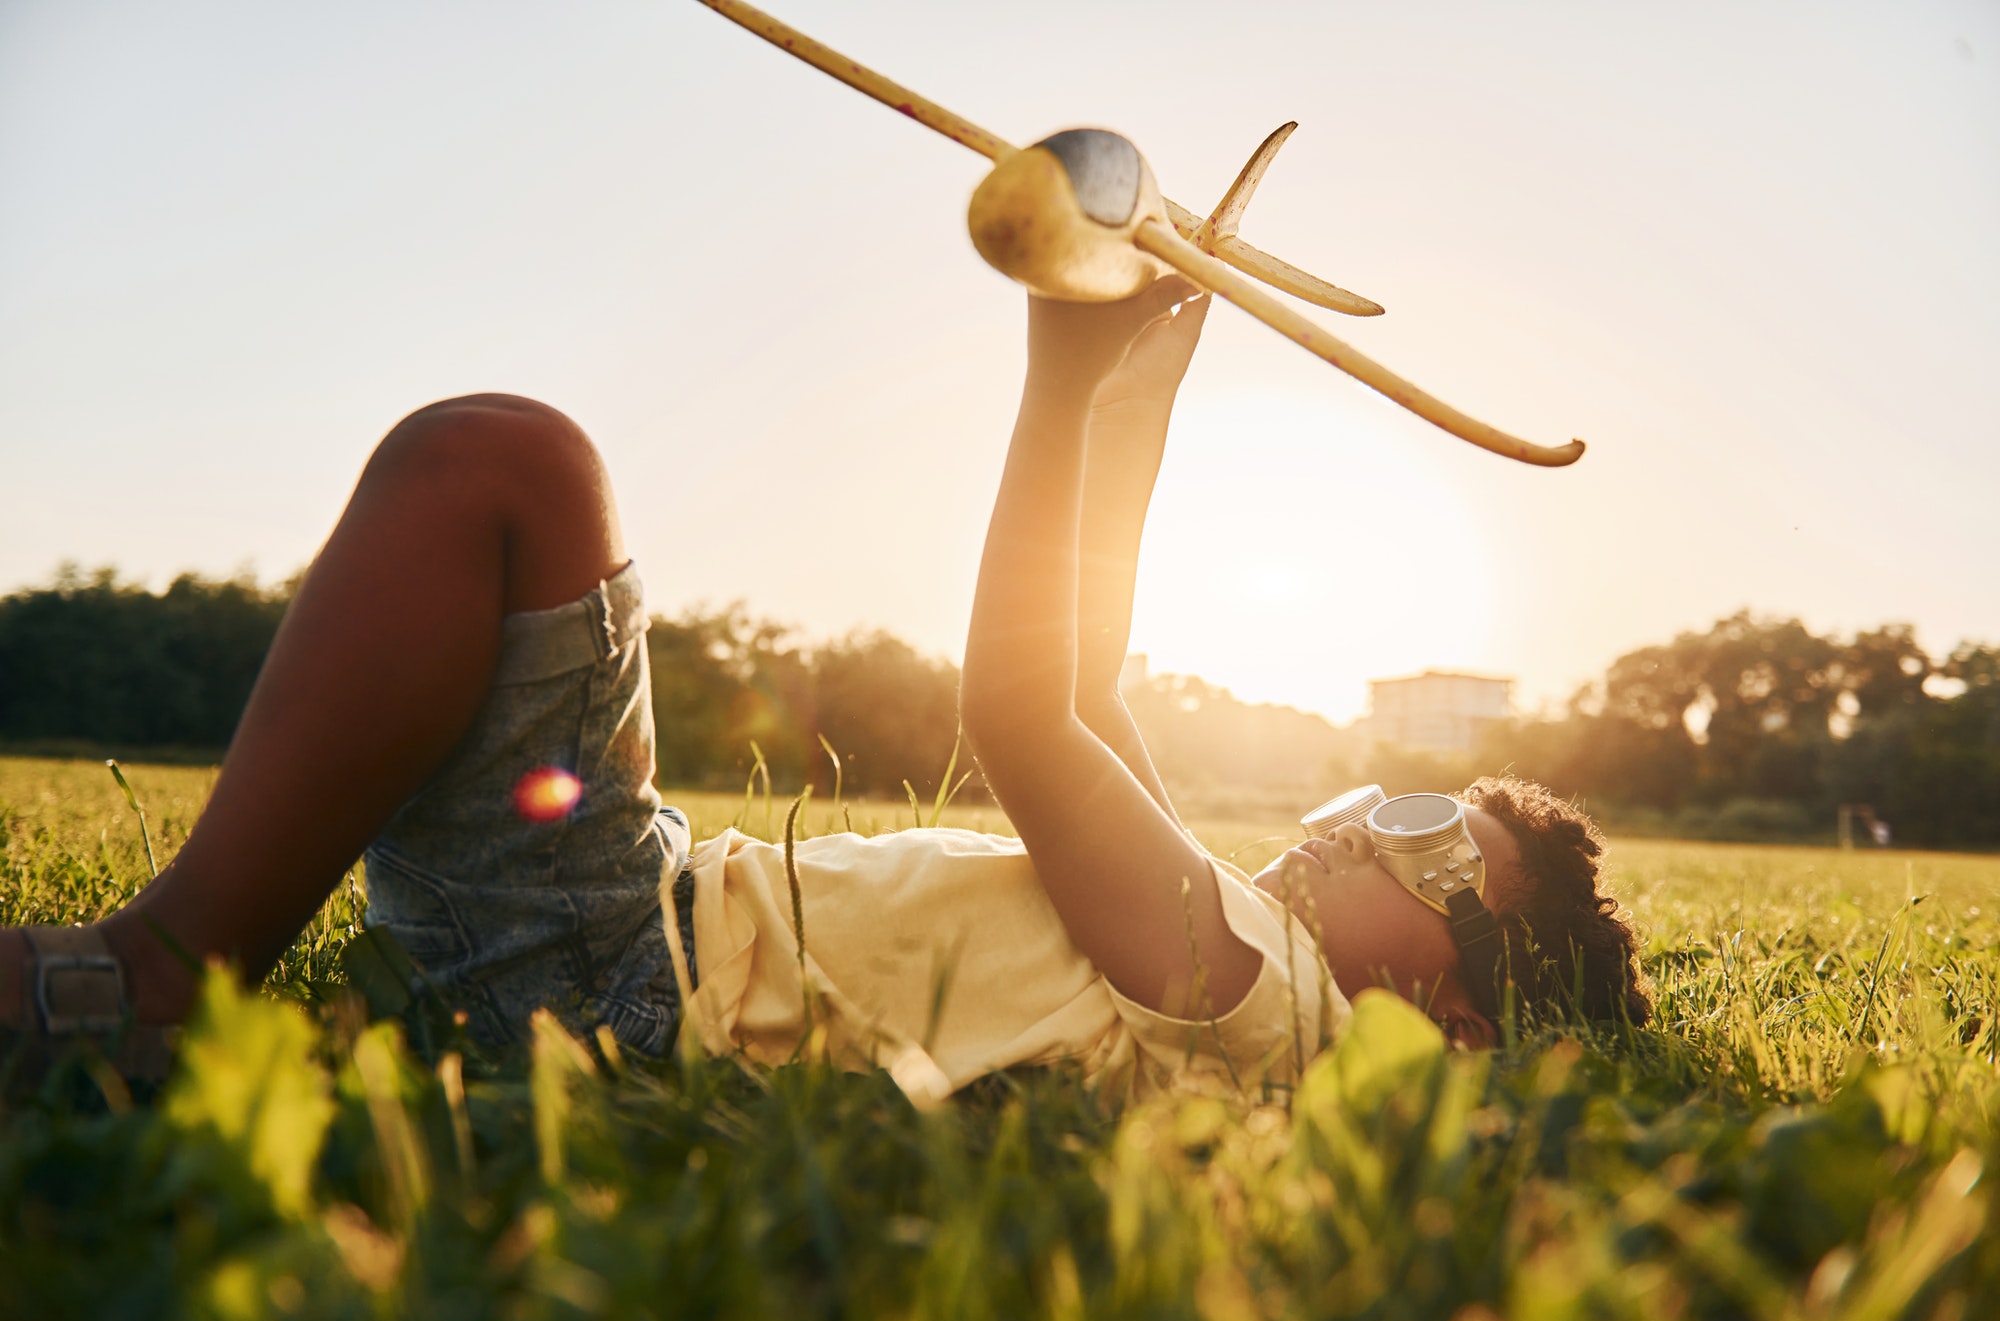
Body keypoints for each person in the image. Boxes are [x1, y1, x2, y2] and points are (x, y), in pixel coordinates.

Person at [0, 277, 1650, 1100]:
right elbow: (1084, 674)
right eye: (1390, 800)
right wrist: (1133, 399)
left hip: (606, 983)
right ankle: (272, 942)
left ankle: (158, 972)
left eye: (1436, 849)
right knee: (523, 531)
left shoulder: (1260, 1000)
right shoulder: (1244, 935)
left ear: (1459, 1017)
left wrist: (1053, 376)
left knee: (506, 467)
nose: (1364, 823)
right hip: (631, 909)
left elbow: (1017, 714)